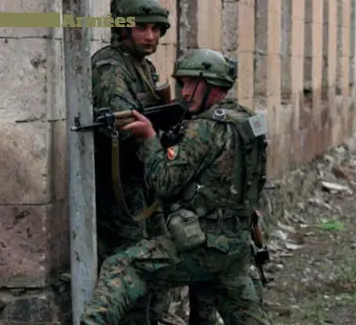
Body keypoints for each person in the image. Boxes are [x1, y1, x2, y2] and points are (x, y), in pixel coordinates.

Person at [80, 48, 271, 325]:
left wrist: (149, 138)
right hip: (235, 247)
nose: (184, 92)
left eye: (193, 84)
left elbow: (164, 182)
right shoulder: (246, 120)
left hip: (200, 247)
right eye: (183, 83)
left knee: (121, 266)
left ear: (215, 87)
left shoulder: (204, 129)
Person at [90, 0, 174, 324]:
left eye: (156, 29)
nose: (150, 36)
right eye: (142, 28)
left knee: (158, 254)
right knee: (128, 263)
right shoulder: (111, 65)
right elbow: (122, 122)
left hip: (144, 177)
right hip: (121, 182)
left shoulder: (143, 66)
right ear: (124, 29)